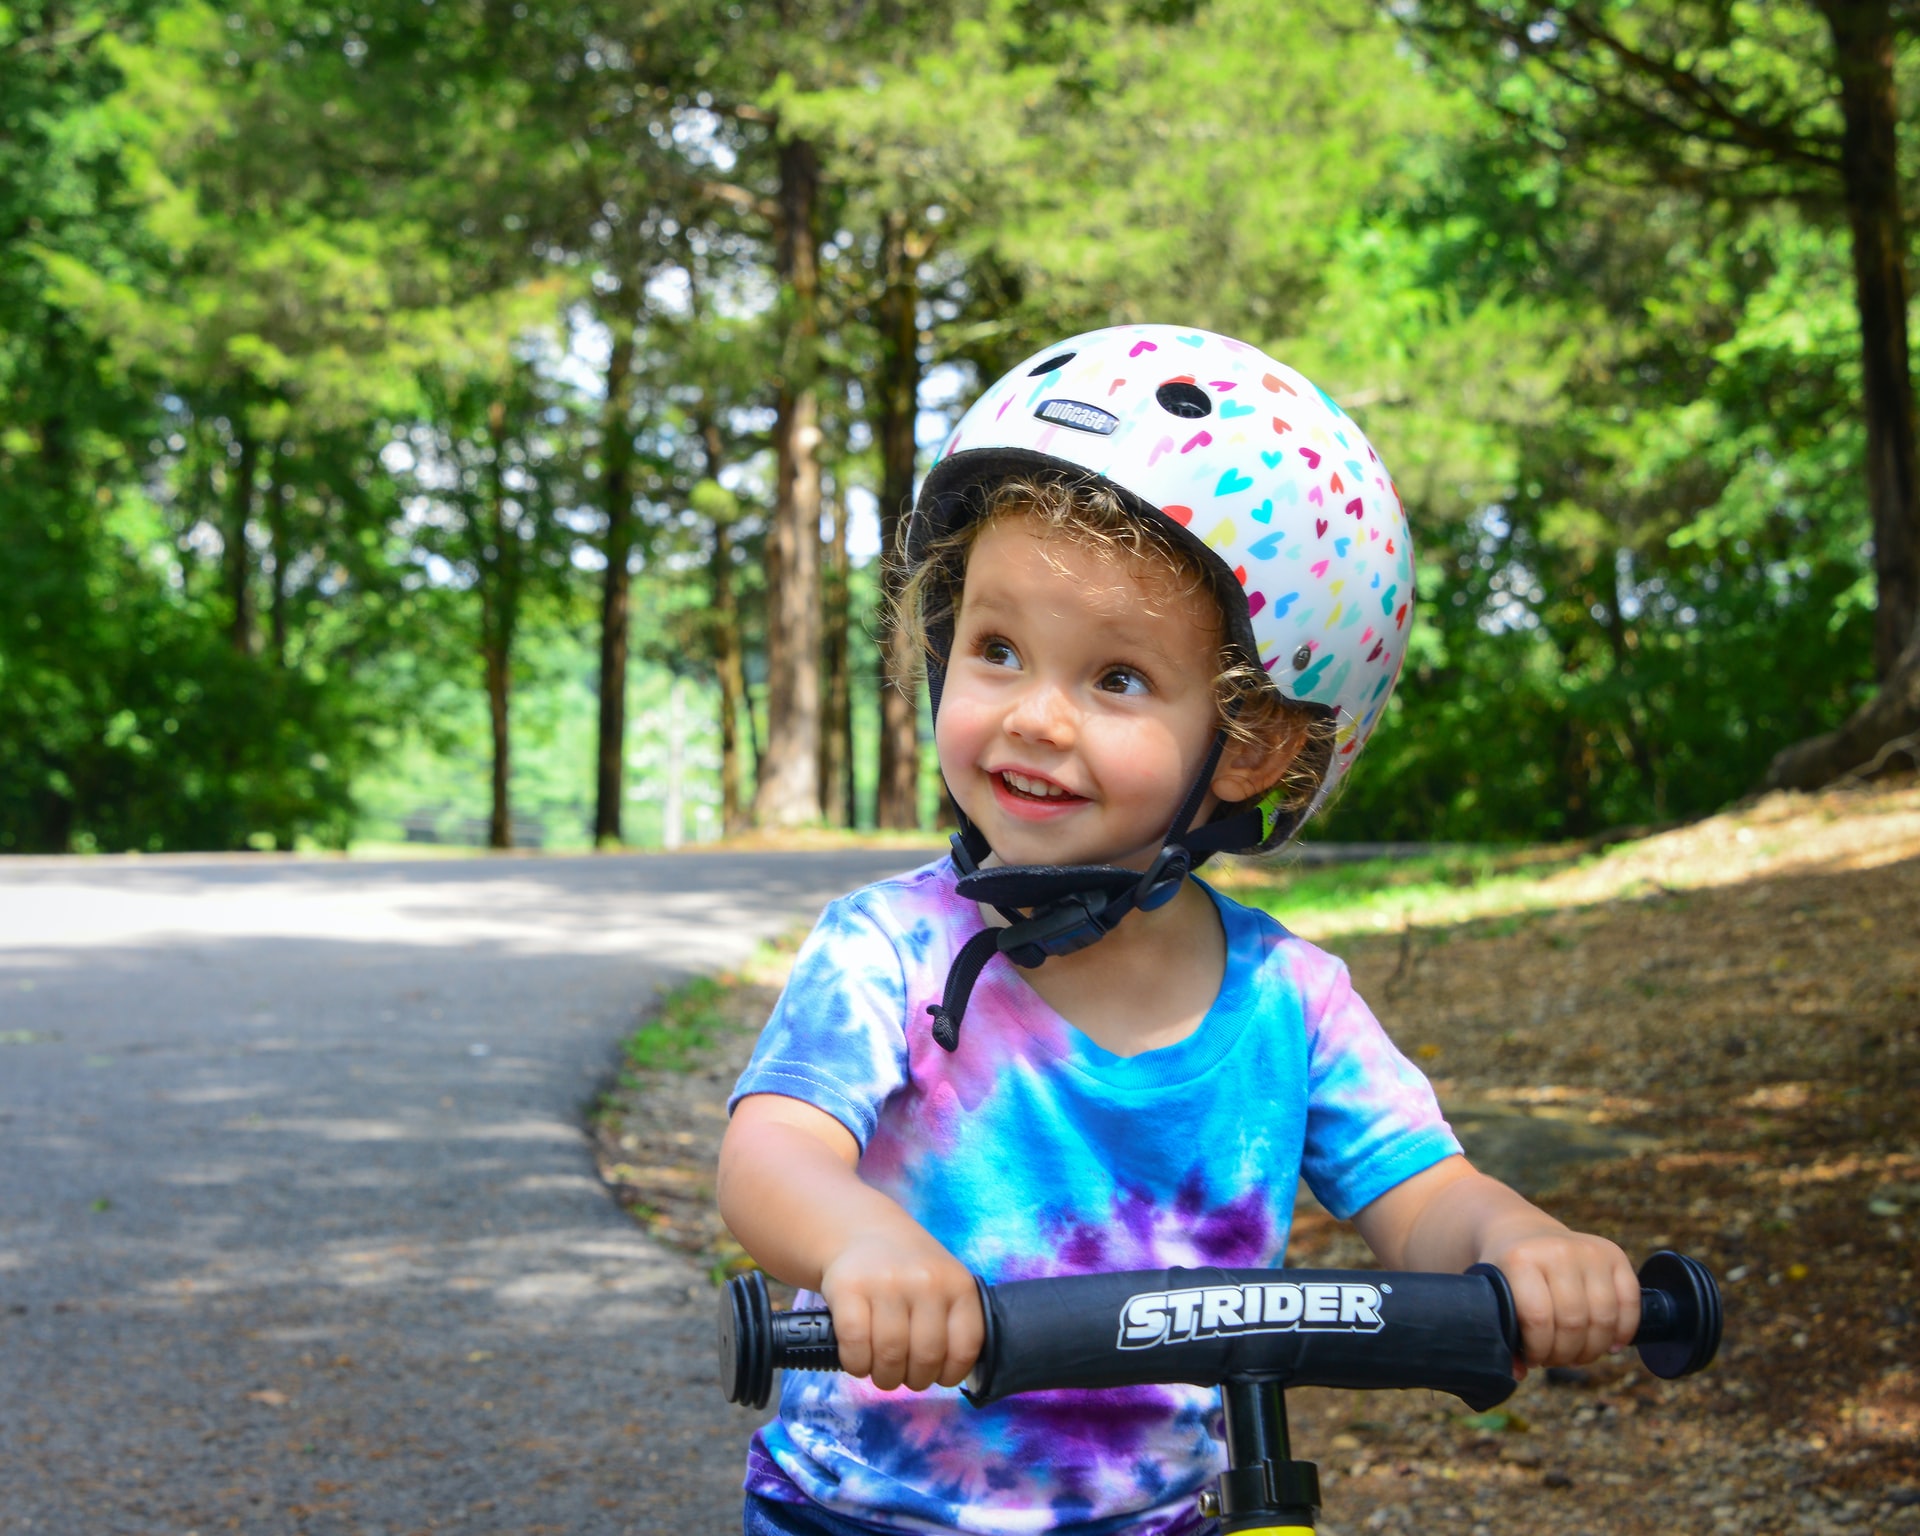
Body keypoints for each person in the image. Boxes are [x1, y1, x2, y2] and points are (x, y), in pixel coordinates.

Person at [717, 325, 1640, 1536]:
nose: (1034, 717)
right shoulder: (888, 949)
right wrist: (862, 1248)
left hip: (1164, 1515)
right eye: (997, 650)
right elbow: (770, 1156)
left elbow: (1426, 1196)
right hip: (868, 1512)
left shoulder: (1290, 1003)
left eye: (1115, 679)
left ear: (1251, 742)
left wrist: (1522, 1242)